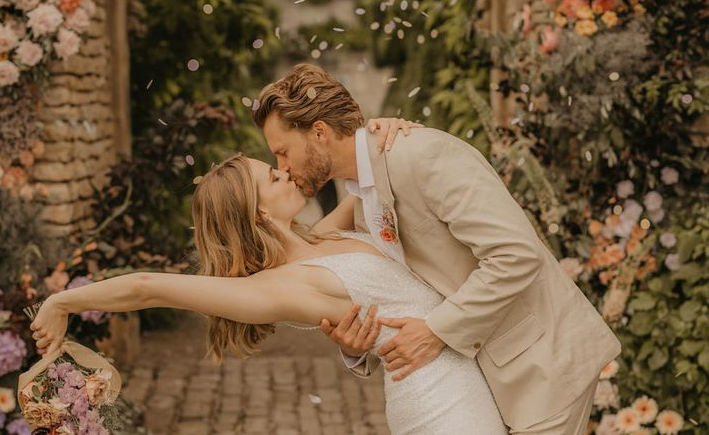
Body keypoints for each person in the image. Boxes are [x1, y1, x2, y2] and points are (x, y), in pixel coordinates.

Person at [30, 122, 508, 434]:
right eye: (272, 175)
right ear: (258, 211)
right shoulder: (277, 288)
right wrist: (62, 303)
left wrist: (386, 129)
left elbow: (370, 177)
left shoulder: (321, 237)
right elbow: (146, 286)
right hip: (441, 407)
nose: (285, 171)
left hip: (466, 377)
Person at [251, 63, 621, 435]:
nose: (281, 166)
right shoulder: (362, 198)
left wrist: (436, 331)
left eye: (283, 152)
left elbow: (516, 255)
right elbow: (408, 289)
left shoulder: (423, 155)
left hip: (540, 369)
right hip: (482, 384)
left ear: (319, 132)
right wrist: (356, 344)